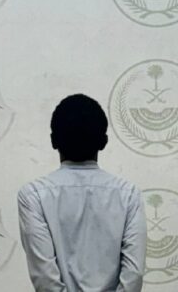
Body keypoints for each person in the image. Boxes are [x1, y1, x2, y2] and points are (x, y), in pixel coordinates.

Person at [17, 94, 146, 292]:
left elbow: (45, 279)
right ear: (104, 142)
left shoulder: (33, 195)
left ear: (53, 141)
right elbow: (133, 275)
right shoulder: (129, 194)